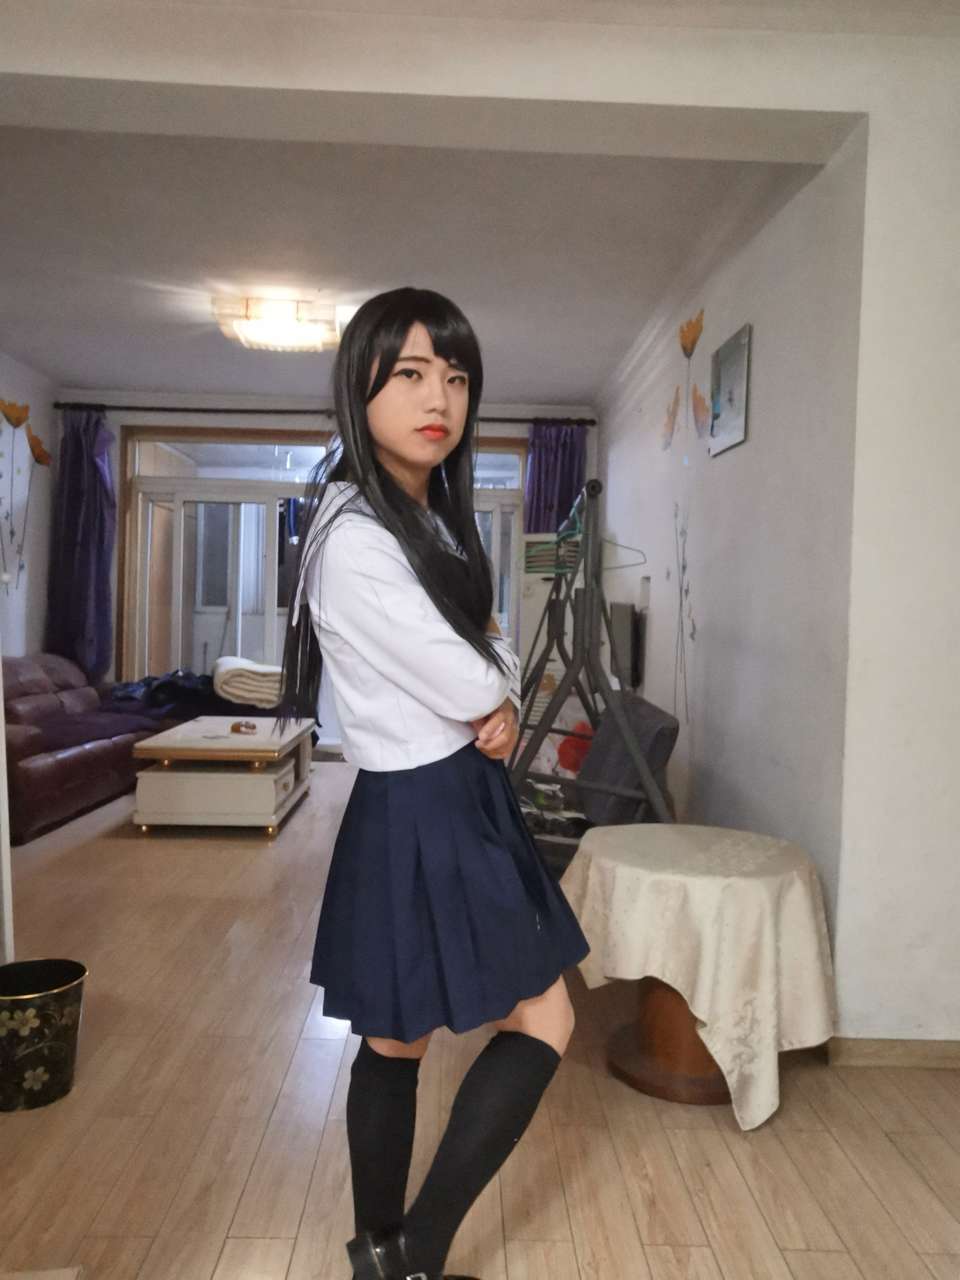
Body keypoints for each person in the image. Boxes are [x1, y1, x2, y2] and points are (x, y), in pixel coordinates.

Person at [277, 286, 590, 1280]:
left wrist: (497, 681)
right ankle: (418, 1246)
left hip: (433, 796)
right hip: (428, 799)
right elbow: (478, 673)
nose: (438, 398)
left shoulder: (422, 520)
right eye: (410, 372)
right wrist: (494, 682)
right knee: (541, 1017)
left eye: (455, 377)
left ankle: (385, 1249)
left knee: (396, 1036)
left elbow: (492, 654)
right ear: (360, 384)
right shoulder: (357, 538)